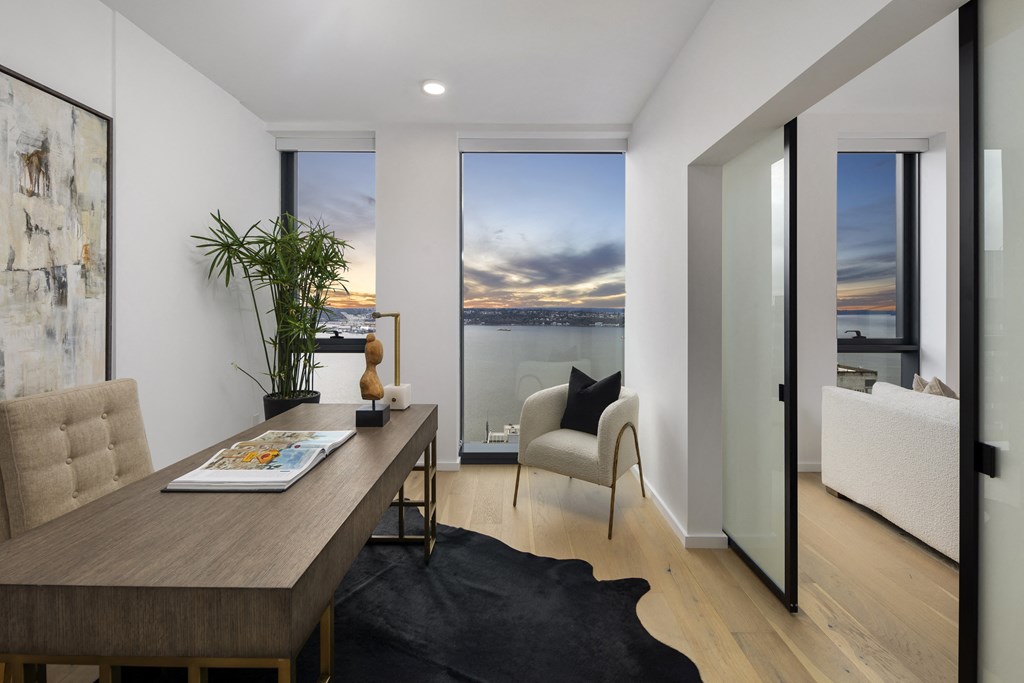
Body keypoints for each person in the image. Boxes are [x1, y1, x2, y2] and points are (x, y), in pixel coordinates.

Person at [360, 333, 385, 401]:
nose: (381, 355)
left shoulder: (373, 375)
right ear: (369, 354)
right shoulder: (366, 380)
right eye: (378, 352)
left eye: (381, 352)